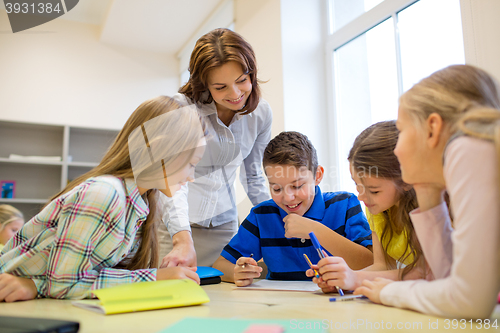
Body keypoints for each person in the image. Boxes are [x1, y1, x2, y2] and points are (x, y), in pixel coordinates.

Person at [0, 96, 207, 302]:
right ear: (158, 149)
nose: (192, 176)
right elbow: (63, 284)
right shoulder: (105, 193)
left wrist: (36, 286)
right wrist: (154, 278)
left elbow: (88, 277)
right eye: (191, 163)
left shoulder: (140, 203)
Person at [354, 65, 500, 319]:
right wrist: (428, 192)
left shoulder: (468, 148)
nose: (396, 151)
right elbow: (448, 277)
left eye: (400, 131)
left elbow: (469, 301)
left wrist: (390, 292)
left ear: (432, 128)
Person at [159, 28, 273, 268]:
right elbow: (171, 181)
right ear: (203, 84)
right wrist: (181, 238)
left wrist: (274, 220)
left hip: (223, 225)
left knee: (224, 297)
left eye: (242, 81)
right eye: (221, 87)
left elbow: (253, 177)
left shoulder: (261, 114)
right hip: (175, 226)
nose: (235, 94)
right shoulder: (180, 110)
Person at [212, 131, 373, 286]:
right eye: (276, 189)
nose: (288, 197)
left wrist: (315, 230)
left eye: (297, 186)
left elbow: (370, 262)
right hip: (281, 308)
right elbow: (220, 265)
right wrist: (237, 272)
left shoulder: (345, 205)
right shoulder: (262, 215)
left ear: (317, 176)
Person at [307, 121, 428, 293]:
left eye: (374, 190)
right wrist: (343, 279)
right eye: (357, 185)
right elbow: (382, 266)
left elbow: (426, 274)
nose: (361, 196)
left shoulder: (427, 208)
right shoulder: (378, 209)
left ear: (406, 181)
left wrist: (354, 279)